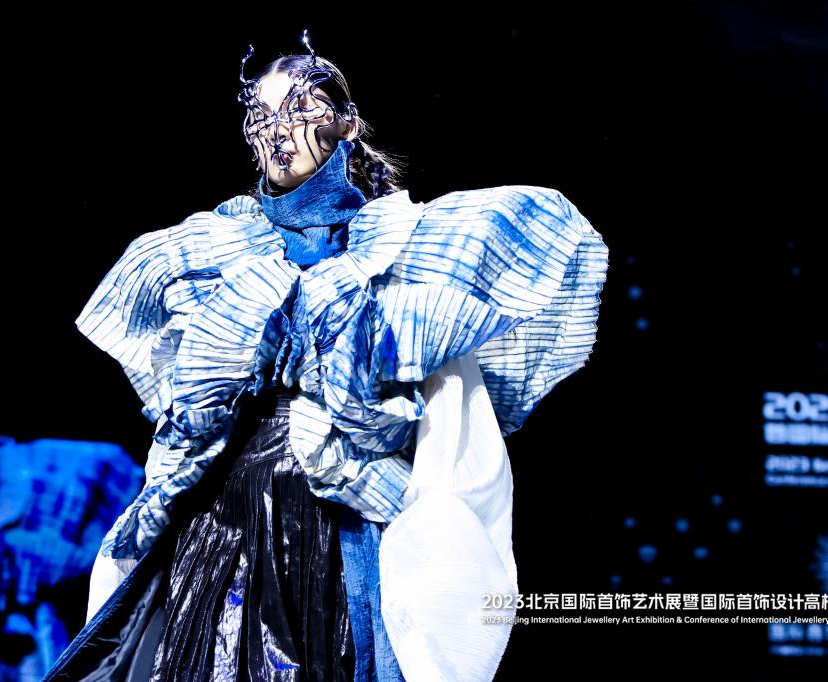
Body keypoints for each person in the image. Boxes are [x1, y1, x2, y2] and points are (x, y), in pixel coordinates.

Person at [45, 30, 609, 682]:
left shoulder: (404, 257)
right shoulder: (219, 256)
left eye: (301, 110)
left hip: (332, 541)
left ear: (346, 124)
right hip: (216, 536)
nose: (278, 131)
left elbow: (454, 431)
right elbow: (186, 427)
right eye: (260, 115)